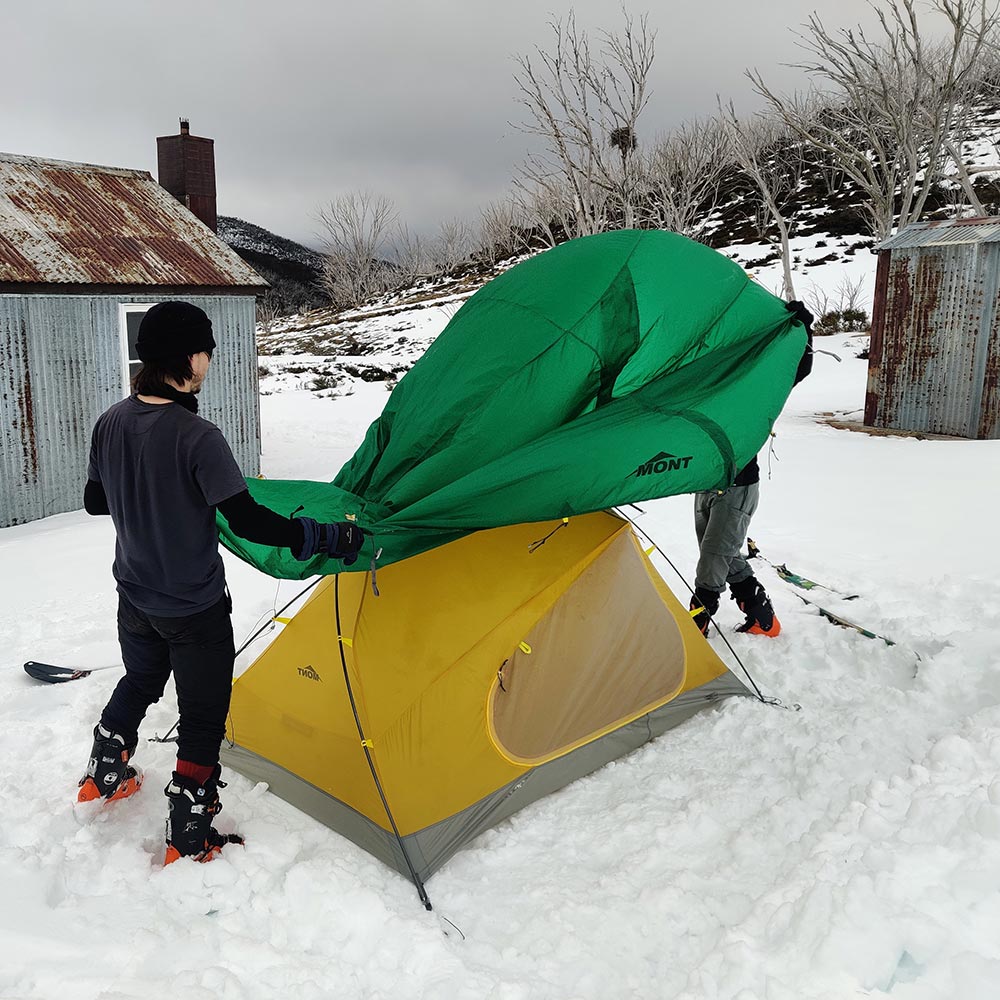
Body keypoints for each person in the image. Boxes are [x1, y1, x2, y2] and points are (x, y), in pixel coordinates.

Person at [77, 301, 365, 864]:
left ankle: (104, 773)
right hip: (194, 607)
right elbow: (250, 520)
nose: (209, 360)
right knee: (204, 715)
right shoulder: (196, 435)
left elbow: (94, 502)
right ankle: (189, 832)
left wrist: (144, 492)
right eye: (206, 350)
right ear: (187, 358)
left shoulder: (111, 420)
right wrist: (325, 537)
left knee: (141, 680)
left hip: (134, 594)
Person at [689, 300, 814, 639]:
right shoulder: (706, 385)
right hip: (706, 484)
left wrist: (802, 333)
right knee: (721, 556)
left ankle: (694, 625)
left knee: (712, 562)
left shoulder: (754, 393)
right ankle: (764, 619)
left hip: (738, 487)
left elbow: (794, 371)